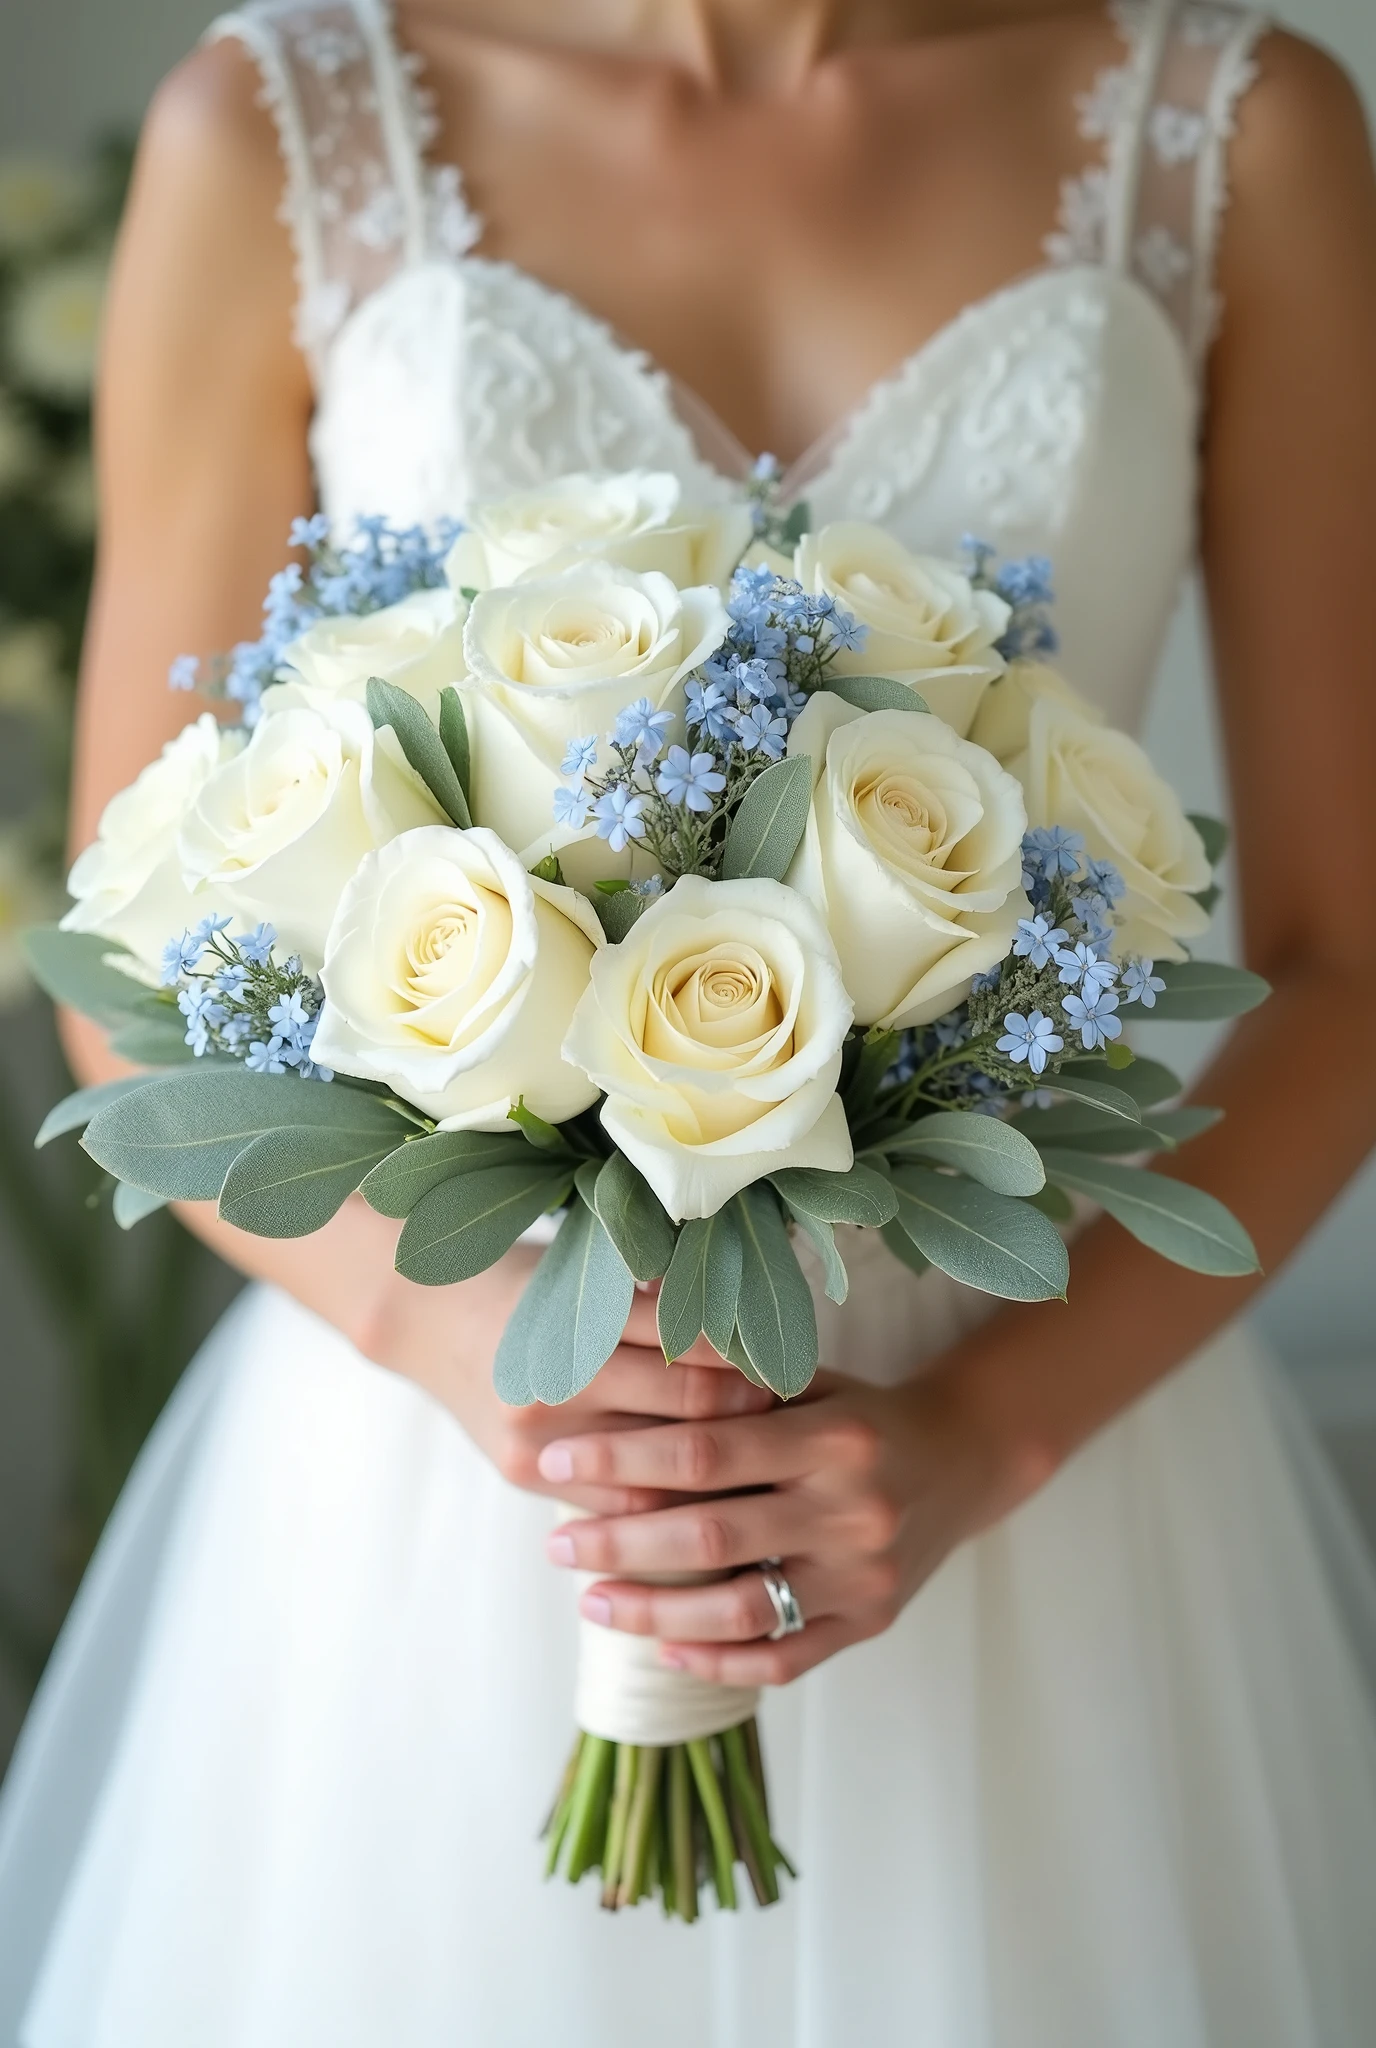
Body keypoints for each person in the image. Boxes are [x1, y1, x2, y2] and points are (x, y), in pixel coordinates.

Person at [3, 0, 1376, 2039]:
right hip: (459, 1481)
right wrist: (483, 1363)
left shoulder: (1235, 131)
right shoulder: (278, 128)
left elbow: (1345, 958)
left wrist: (981, 1439)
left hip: (1038, 1451)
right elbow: (123, 974)